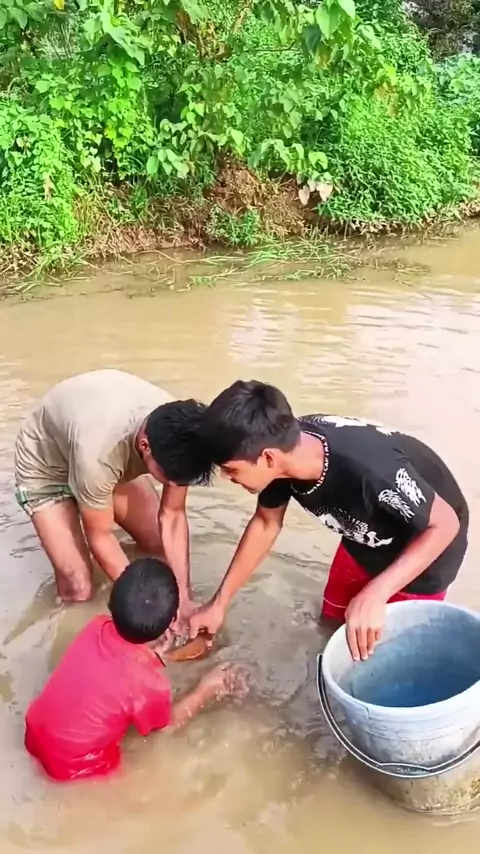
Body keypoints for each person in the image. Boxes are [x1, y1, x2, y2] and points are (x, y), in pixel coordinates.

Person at [190, 380, 468, 662]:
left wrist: (378, 592)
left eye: (231, 469)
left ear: (268, 458)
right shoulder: (282, 454)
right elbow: (265, 524)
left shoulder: (369, 471)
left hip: (426, 550)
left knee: (386, 654)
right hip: (364, 538)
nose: (227, 477)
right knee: (331, 628)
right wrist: (219, 604)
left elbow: (445, 525)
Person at [25, 558, 246, 782]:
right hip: (72, 766)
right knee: (143, 772)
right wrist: (205, 690)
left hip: (33, 733)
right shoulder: (151, 684)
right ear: (172, 620)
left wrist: (152, 655)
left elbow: (112, 671)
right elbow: (166, 726)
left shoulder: (96, 625)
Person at [14, 369, 213, 611]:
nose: (174, 485)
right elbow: (101, 536)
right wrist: (147, 609)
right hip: (46, 466)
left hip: (95, 449)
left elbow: (173, 515)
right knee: (79, 588)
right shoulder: (100, 455)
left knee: (157, 543)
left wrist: (183, 598)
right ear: (145, 446)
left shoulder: (186, 434)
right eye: (168, 478)